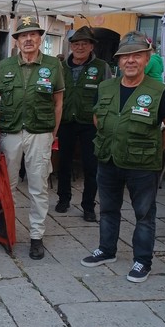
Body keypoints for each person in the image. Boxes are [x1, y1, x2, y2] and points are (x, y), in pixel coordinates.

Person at [80, 30, 165, 283]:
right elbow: (96, 116)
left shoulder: (159, 91)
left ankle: (142, 261)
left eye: (137, 55)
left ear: (147, 59)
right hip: (108, 159)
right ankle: (106, 250)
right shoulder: (105, 87)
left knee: (144, 214)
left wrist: (153, 150)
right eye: (125, 56)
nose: (130, 61)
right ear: (118, 61)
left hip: (142, 166)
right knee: (108, 209)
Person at [0, 16, 64, 260]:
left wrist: (52, 134)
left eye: (33, 34)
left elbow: (58, 104)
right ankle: (5, 229)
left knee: (38, 186)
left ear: (39, 38)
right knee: (7, 185)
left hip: (40, 132)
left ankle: (36, 236)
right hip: (11, 132)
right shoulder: (6, 66)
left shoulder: (53, 66)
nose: (28, 39)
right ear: (16, 41)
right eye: (23, 35)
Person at [55, 26, 112, 222]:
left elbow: (108, 96)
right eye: (76, 44)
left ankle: (88, 206)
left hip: (90, 123)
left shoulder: (102, 67)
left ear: (91, 46)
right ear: (70, 46)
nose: (80, 47)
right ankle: (63, 199)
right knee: (64, 163)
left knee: (91, 166)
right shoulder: (60, 67)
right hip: (66, 121)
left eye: (84, 44)